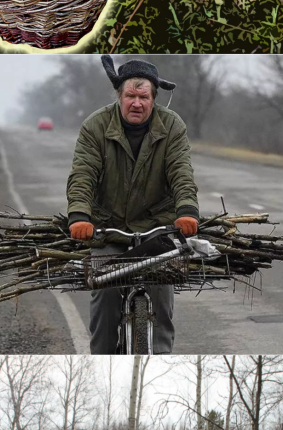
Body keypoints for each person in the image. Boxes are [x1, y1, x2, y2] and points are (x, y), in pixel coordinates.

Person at [66, 56, 199, 354]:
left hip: (157, 227)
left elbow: (182, 171)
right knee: (104, 294)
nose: (136, 103)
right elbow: (82, 174)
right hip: (108, 227)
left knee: (162, 292)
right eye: (130, 96)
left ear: (153, 99)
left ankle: (160, 355)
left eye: (143, 97)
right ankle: (101, 357)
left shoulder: (172, 125)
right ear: (119, 96)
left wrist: (187, 211)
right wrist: (79, 216)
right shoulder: (96, 126)